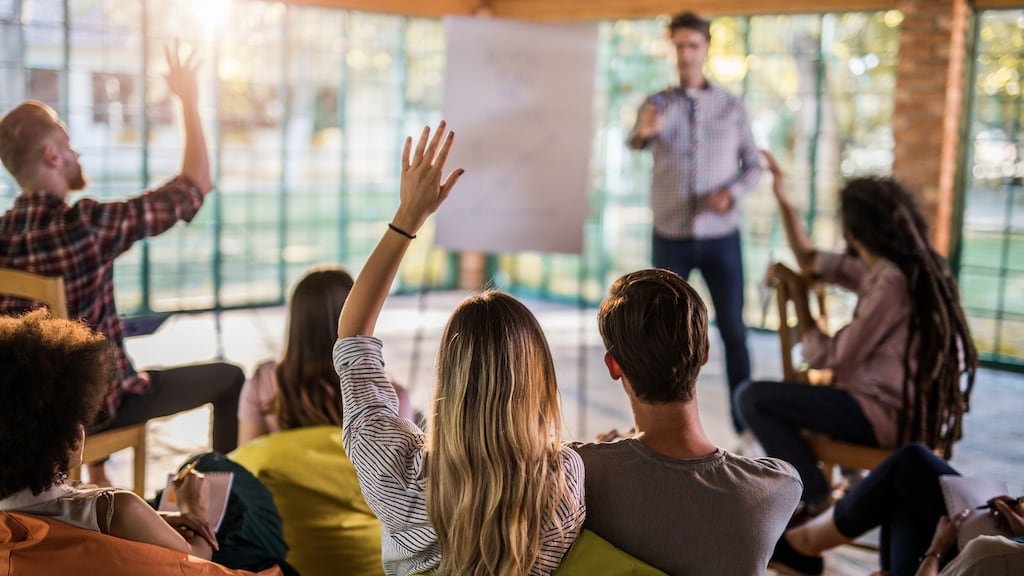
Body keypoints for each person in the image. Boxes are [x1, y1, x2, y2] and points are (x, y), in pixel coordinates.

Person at [334, 121, 585, 575]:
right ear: (539, 378)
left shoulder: (394, 470)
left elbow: (353, 336)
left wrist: (407, 218)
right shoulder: (562, 478)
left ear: (449, 375)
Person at [0, 43, 244, 484]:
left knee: (90, 343)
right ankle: (225, 502)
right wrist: (188, 99)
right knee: (230, 378)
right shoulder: (86, 225)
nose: (77, 154)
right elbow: (194, 185)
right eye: (68, 144)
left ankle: (99, 479)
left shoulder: (3, 235)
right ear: (52, 156)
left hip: (25, 419)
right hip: (95, 412)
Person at [736, 152, 977, 517]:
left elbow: (828, 356)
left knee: (753, 398)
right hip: (900, 410)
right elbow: (810, 258)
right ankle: (831, 494)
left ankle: (816, 498)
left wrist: (800, 301)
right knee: (781, 397)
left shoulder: (889, 285)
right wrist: (782, 197)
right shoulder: (900, 270)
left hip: (885, 416)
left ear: (853, 232)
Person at [0, 310, 296, 575]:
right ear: (76, 442)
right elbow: (192, 560)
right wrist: (194, 512)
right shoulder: (114, 509)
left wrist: (153, 520)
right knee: (225, 484)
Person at [571, 268, 802, 575]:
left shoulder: (579, 474)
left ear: (613, 366)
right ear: (704, 352)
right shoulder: (777, 488)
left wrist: (602, 452)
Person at [626, 11, 762, 437]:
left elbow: (754, 167)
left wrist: (732, 194)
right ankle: (661, 424)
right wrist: (642, 131)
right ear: (671, 48)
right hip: (670, 237)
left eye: (693, 46)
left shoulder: (731, 106)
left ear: (705, 49)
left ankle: (747, 425)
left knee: (734, 330)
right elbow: (634, 142)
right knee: (661, 331)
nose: (686, 54)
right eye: (679, 46)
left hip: (721, 238)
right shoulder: (655, 104)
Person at [769, 443, 1024, 576]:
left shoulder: (994, 558)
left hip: (948, 562)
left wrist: (937, 550)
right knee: (907, 476)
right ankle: (802, 544)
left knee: (907, 471)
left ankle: (801, 544)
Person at [237, 265, 411, 446]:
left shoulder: (263, 380)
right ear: (359, 317)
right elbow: (397, 469)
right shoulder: (391, 395)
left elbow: (248, 460)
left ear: (296, 321)